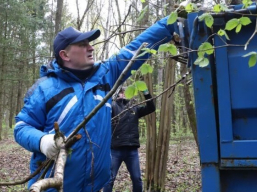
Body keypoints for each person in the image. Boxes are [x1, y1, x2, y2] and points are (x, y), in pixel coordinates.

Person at [14, 17, 176, 192]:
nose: (91, 47)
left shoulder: (105, 74)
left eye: (89, 43)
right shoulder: (44, 89)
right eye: (83, 44)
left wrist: (171, 21)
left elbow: (136, 49)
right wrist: (42, 141)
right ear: (65, 55)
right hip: (53, 186)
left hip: (94, 187)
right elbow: (22, 127)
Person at [103, 88, 155, 192]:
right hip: (116, 150)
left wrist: (146, 93)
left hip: (132, 150)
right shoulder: (112, 106)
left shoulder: (134, 109)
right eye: (122, 92)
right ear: (118, 94)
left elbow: (151, 108)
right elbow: (103, 113)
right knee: (109, 179)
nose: (124, 94)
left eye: (126, 92)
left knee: (137, 179)